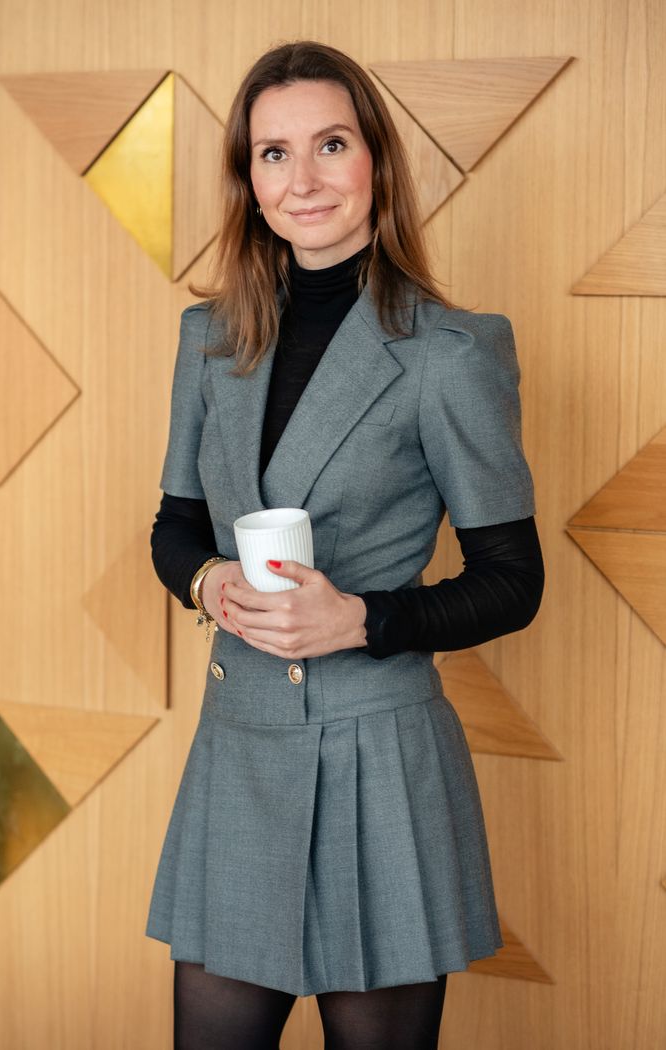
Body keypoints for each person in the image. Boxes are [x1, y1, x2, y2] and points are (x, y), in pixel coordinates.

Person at [145, 39, 544, 1050]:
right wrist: (210, 583)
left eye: (330, 144)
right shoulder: (209, 338)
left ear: (376, 160)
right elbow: (174, 527)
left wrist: (360, 619)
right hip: (239, 749)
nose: (304, 179)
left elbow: (513, 581)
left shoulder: (450, 352)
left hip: (382, 761)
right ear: (249, 180)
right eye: (273, 154)